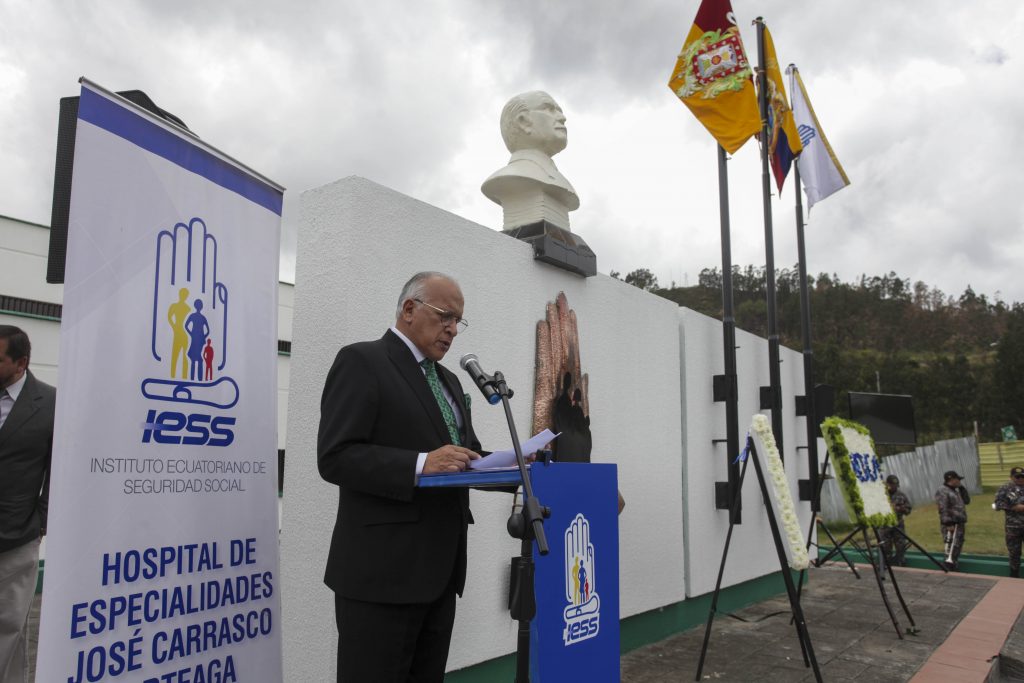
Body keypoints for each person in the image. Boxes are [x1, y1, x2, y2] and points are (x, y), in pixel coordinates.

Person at [318, 272, 484, 682]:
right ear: (409, 309)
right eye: (445, 316)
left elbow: (468, 458)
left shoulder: (449, 380)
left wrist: (529, 466)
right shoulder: (363, 361)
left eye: (458, 322)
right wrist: (419, 463)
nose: (452, 330)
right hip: (381, 579)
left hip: (441, 575)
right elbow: (336, 456)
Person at [0, 326, 56, 683]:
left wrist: (40, 520)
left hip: (15, 538)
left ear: (21, 363)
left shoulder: (50, 402)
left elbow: (58, 468)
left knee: (8, 628)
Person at [481, 91, 580, 230]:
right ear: (523, 121)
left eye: (560, 111)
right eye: (549, 109)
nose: (563, 118)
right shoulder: (510, 177)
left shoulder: (558, 179)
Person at [935, 470, 970, 570]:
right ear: (951, 479)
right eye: (958, 479)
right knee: (950, 547)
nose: (959, 481)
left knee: (957, 546)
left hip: (959, 523)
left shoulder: (955, 490)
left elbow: (967, 501)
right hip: (951, 524)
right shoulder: (943, 490)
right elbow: (943, 508)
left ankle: (953, 565)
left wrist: (962, 488)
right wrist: (948, 523)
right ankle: (949, 568)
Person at [994, 467, 1024, 578]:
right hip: (1013, 527)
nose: (1021, 479)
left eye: (1023, 476)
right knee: (1014, 552)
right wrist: (1013, 507)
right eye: (1017, 477)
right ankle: (1014, 575)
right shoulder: (1005, 488)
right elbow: (997, 504)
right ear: (1011, 477)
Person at [878, 474, 912, 566]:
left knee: (900, 545)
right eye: (892, 485)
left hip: (898, 525)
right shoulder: (881, 495)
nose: (894, 487)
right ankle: (885, 563)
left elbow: (908, 510)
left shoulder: (901, 495)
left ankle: (900, 561)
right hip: (885, 525)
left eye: (895, 485)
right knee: (885, 546)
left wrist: (901, 508)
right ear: (887, 484)